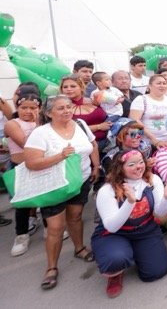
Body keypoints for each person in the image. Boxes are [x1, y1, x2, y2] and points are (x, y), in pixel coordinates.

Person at [24, 95, 100, 290]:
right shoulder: (41, 133)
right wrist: (60, 156)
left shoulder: (80, 124)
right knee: (56, 227)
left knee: (75, 217)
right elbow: (31, 163)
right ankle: (51, 268)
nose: (67, 111)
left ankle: (79, 248)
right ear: (49, 113)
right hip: (54, 186)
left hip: (80, 180)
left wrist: (96, 166)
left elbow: (93, 145)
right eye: (60, 108)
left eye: (68, 106)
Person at [92, 149, 167, 298]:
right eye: (131, 164)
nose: (138, 167)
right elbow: (112, 226)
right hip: (115, 234)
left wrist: (166, 198)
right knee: (116, 257)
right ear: (120, 168)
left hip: (145, 229)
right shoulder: (107, 190)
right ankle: (115, 272)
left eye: (140, 162)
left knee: (157, 271)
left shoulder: (152, 180)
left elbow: (159, 212)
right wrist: (130, 202)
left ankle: (138, 252)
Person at [5, 93, 41, 256]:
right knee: (22, 204)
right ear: (17, 108)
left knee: (46, 198)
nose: (28, 111)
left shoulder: (43, 123)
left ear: (39, 108)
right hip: (20, 168)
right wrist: (39, 124)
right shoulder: (12, 124)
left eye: (33, 108)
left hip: (41, 165)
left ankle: (50, 227)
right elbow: (27, 143)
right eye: (24, 107)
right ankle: (21, 235)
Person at [60, 74, 111, 153]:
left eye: (73, 86)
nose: (68, 89)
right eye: (65, 87)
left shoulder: (93, 100)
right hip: (83, 148)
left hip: (108, 144)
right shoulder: (61, 107)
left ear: (81, 87)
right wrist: (99, 127)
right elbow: (67, 129)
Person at [129, 75, 167, 147]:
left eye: (164, 83)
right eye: (159, 83)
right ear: (150, 86)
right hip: (148, 143)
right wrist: (153, 139)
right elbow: (134, 121)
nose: (162, 85)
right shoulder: (141, 100)